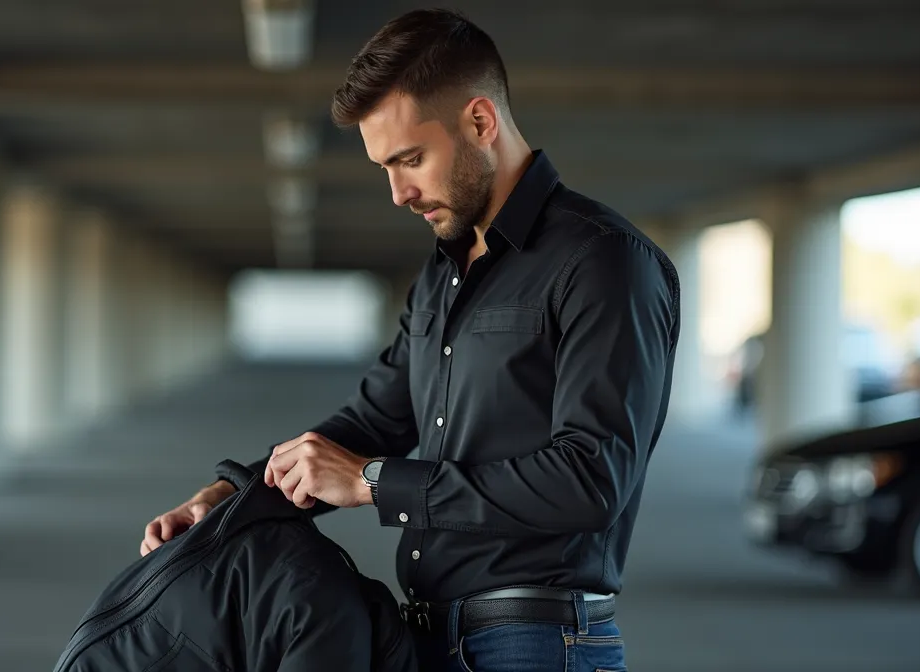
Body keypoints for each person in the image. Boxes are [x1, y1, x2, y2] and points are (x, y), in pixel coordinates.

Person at [141, 8, 680, 671]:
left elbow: (592, 478)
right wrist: (229, 500)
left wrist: (372, 483)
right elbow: (375, 419)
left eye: (411, 159)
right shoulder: (442, 274)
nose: (398, 193)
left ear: (480, 122)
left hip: (535, 646)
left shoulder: (603, 262)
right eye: (383, 168)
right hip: (425, 640)